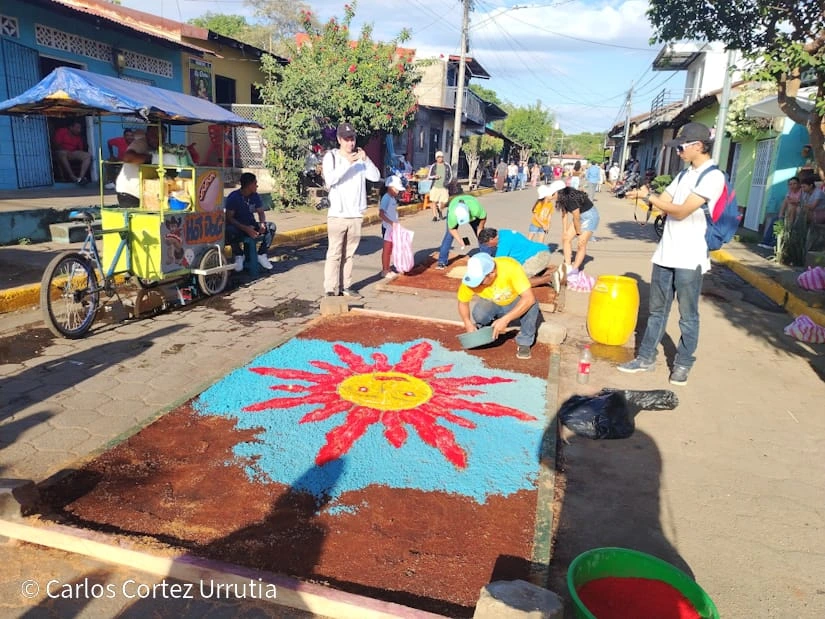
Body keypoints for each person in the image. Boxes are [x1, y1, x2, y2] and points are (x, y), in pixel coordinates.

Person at [618, 121, 725, 386]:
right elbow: (665, 202)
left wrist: (653, 199)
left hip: (690, 257)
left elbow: (680, 210)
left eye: (682, 147)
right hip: (666, 254)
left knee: (688, 315)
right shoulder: (684, 174)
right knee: (657, 311)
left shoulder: (712, 177)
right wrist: (643, 195)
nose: (678, 152)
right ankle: (645, 357)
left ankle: (683, 364)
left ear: (698, 146)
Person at [322, 121, 380, 298]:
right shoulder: (331, 157)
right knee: (334, 253)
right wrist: (347, 162)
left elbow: (375, 176)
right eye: (346, 139)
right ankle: (331, 288)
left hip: (355, 215)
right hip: (338, 214)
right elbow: (330, 180)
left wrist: (365, 158)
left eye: (352, 139)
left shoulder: (360, 160)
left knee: (349, 254)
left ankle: (345, 286)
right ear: (339, 139)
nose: (350, 143)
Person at [457, 253, 540, 360]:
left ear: (492, 273)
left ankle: (525, 341)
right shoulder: (471, 279)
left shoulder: (510, 267)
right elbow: (462, 302)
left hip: (514, 300)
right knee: (479, 314)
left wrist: (505, 320)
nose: (475, 285)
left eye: (480, 281)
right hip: (492, 301)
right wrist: (467, 322)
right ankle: (490, 329)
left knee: (532, 306)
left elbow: (529, 298)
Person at [477, 227, 559, 290]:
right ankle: (555, 271)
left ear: (492, 239)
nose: (488, 246)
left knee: (519, 281)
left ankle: (551, 278)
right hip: (539, 252)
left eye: (488, 244)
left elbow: (498, 264)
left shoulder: (504, 242)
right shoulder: (502, 233)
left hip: (538, 256)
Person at [224, 173, 275, 272]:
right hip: (238, 227)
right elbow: (229, 218)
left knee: (271, 227)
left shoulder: (255, 196)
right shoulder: (234, 197)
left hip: (251, 224)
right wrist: (246, 229)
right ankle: (239, 255)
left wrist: (262, 223)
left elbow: (261, 212)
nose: (257, 186)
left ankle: (262, 254)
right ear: (249, 185)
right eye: (255, 183)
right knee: (228, 230)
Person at [557, 186, 600, 277]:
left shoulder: (571, 200)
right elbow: (564, 215)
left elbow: (576, 217)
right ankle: (568, 265)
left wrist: (578, 232)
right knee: (566, 238)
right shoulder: (562, 199)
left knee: (581, 243)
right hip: (579, 216)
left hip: (590, 217)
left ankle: (574, 270)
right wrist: (565, 231)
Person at [436, 195, 487, 269]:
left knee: (482, 235)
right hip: (455, 203)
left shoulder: (476, 209)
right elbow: (452, 229)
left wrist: (480, 228)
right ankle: (442, 261)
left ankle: (487, 258)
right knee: (448, 236)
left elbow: (483, 217)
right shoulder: (452, 215)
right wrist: (460, 241)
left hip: (471, 206)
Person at [759, 177, 801, 248]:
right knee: (775, 220)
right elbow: (784, 203)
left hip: (796, 216)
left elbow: (800, 203)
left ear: (799, 184)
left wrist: (793, 202)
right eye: (790, 184)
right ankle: (766, 241)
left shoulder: (801, 192)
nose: (792, 186)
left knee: (781, 222)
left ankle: (773, 243)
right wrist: (780, 214)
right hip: (788, 215)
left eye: (794, 184)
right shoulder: (789, 192)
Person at [379, 175, 404, 278]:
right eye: (396, 189)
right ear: (390, 187)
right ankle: (385, 270)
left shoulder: (392, 198)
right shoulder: (386, 198)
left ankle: (388, 268)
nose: (398, 191)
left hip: (392, 227)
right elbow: (381, 214)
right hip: (388, 227)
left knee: (392, 248)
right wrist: (391, 223)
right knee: (387, 249)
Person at [54, 120, 91, 185]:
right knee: (63, 153)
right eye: (77, 128)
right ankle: (72, 176)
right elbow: (56, 144)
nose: (79, 130)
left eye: (80, 128)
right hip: (60, 152)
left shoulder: (78, 137)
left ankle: (80, 178)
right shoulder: (62, 131)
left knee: (87, 155)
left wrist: (77, 153)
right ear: (71, 127)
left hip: (71, 153)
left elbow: (80, 149)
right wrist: (65, 151)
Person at [427, 151, 452, 222]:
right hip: (435, 186)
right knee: (433, 201)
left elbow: (450, 176)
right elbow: (429, 176)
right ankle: (435, 216)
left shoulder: (447, 166)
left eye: (441, 157)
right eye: (438, 157)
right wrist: (435, 176)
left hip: (444, 186)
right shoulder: (433, 166)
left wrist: (447, 183)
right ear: (436, 158)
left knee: (444, 202)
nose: (440, 158)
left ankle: (440, 210)